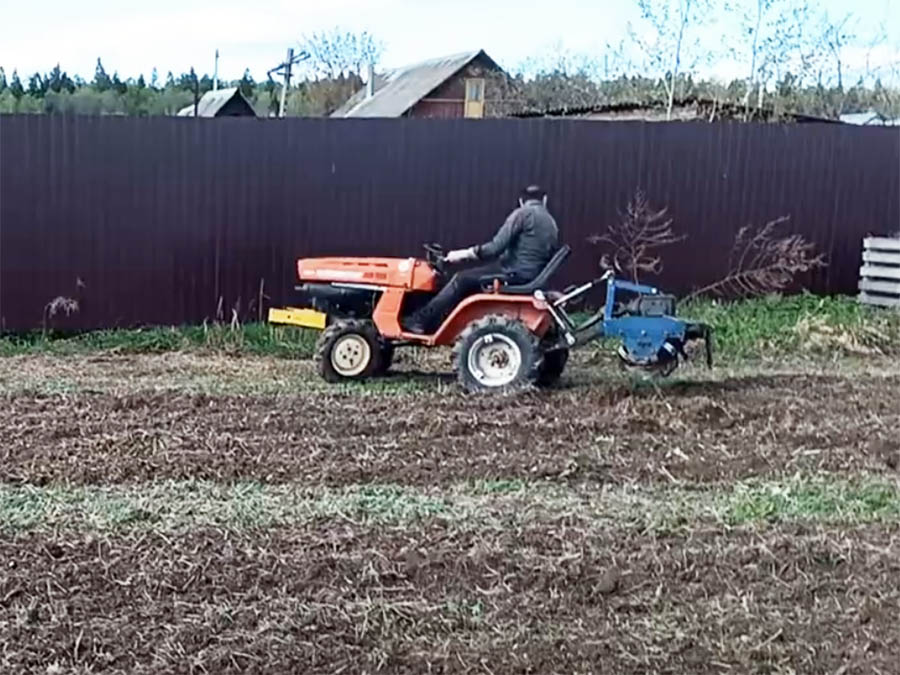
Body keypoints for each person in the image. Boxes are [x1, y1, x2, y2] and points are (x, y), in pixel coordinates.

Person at [404, 184, 559, 334]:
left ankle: (421, 320)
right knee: (473, 278)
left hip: (513, 273)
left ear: (521, 201)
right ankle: (443, 320)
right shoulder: (551, 223)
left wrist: (462, 254)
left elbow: (494, 248)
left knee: (461, 279)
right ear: (544, 200)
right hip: (531, 275)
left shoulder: (522, 214)